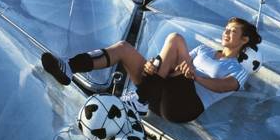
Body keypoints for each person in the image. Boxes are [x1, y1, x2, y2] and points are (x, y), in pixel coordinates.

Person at [41, 17, 261, 123]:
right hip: (162, 93)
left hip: (184, 106)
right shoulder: (204, 49)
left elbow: (224, 87)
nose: (226, 33)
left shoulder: (238, 69)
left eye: (232, 31)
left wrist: (195, 77)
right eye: (226, 29)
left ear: (244, 39)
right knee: (124, 49)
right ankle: (70, 67)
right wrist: (154, 65)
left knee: (175, 39)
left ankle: (140, 99)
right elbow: (175, 65)